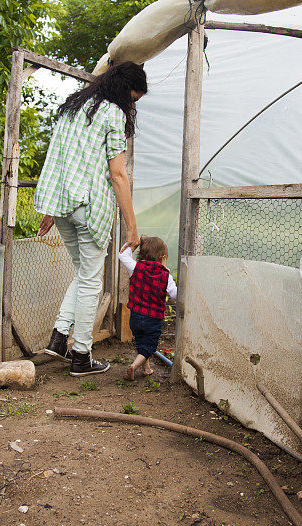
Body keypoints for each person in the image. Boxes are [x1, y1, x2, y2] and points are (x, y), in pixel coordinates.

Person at [34, 61, 147, 376]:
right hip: (89, 207)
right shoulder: (112, 113)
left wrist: (51, 210)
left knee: (85, 273)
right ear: (125, 92)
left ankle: (58, 338)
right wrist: (132, 228)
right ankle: (81, 355)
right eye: (134, 99)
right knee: (91, 281)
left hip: (62, 206)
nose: (132, 105)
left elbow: (59, 161)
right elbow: (118, 175)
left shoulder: (72, 108)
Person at [119, 236, 177, 381]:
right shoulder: (166, 275)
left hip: (136, 315)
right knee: (149, 346)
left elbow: (122, 255)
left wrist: (134, 243)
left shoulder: (135, 267)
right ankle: (134, 366)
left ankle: (147, 368)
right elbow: (175, 295)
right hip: (153, 318)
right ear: (163, 257)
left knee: (140, 340)